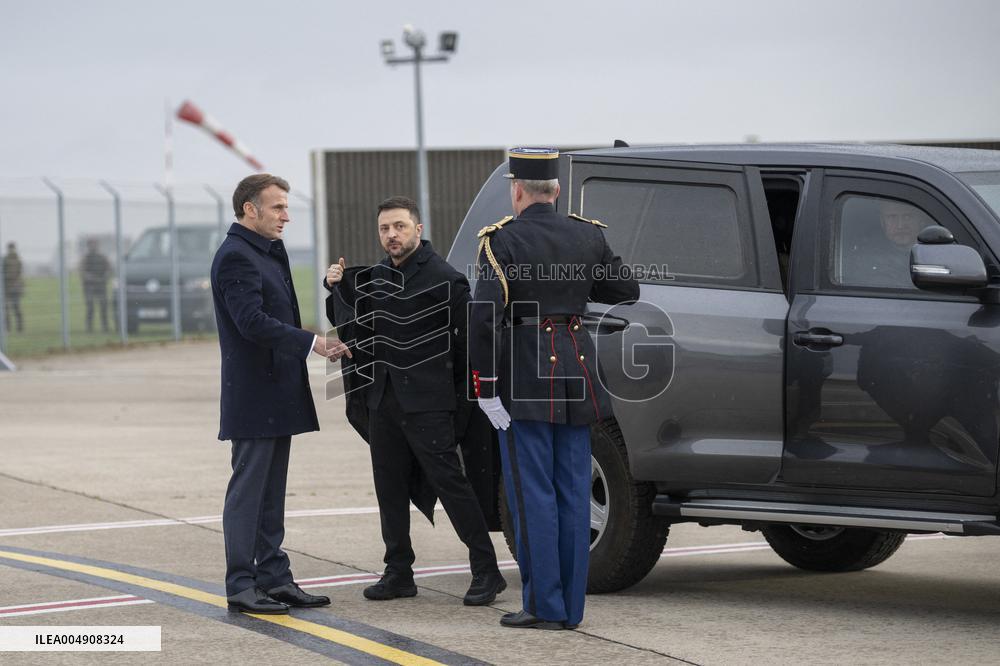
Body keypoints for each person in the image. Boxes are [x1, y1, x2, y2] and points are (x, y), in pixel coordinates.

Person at [469, 148, 639, 630]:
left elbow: (485, 318)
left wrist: (486, 388)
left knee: (532, 494)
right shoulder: (589, 234)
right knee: (572, 491)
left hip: (525, 375)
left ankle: (544, 605)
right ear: (558, 190)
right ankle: (570, 608)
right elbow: (626, 290)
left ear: (517, 191)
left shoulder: (501, 241)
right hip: (577, 371)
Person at [324, 195, 506, 606]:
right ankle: (398, 572)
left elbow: (469, 346)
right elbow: (351, 324)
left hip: (430, 404)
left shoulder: (446, 279)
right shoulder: (375, 277)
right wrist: (334, 287)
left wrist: (463, 403)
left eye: (400, 227)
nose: (392, 235)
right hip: (383, 399)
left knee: (452, 486)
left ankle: (487, 570)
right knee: (388, 488)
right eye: (385, 228)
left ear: (418, 230)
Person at [211, 173, 350, 615]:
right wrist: (313, 343)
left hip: (277, 390)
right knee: (248, 493)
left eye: (286, 207)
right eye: (277, 207)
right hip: (254, 394)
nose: (286, 216)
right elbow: (251, 322)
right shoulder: (236, 256)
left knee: (271, 494)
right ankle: (241, 584)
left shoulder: (267, 250)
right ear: (250, 209)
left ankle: (274, 577)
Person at [80, 238, 111, 333]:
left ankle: (105, 327)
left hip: (101, 286)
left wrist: (104, 277)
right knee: (90, 308)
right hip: (89, 286)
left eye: (95, 244)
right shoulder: (86, 258)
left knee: (103, 307)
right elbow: (83, 272)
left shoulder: (102, 257)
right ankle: (89, 328)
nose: (93, 246)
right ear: (88, 246)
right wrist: (92, 278)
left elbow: (109, 269)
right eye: (91, 244)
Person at [3, 242, 24, 333]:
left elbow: (20, 273)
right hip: (6, 288)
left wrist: (19, 286)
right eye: (10, 248)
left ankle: (20, 328)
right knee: (6, 309)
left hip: (15, 288)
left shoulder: (18, 259)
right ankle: (7, 328)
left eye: (12, 248)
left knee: (16, 308)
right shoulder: (5, 260)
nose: (11, 250)